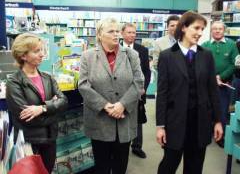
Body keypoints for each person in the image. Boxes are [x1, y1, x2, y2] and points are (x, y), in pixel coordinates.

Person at [156, 11, 223, 174]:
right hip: (175, 122)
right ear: (184, 27)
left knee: (195, 167)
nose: (200, 33)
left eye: (202, 29)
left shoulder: (206, 55)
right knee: (169, 164)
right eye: (197, 28)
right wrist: (160, 126)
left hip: (200, 122)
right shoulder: (167, 56)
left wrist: (218, 120)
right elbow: (162, 93)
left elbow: (212, 90)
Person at [78, 18, 144, 174]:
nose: (116, 35)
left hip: (124, 119)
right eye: (111, 31)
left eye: (117, 31)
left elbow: (139, 81)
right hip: (99, 120)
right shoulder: (88, 56)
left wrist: (122, 105)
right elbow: (83, 85)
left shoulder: (131, 55)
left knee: (121, 165)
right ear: (100, 35)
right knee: (101, 166)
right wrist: (106, 106)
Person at [6, 33, 68, 173]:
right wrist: (53, 109)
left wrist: (42, 108)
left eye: (42, 50)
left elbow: (64, 102)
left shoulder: (47, 77)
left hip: (50, 139)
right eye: (36, 51)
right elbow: (26, 117)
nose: (42, 54)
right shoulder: (14, 82)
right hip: (29, 142)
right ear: (23, 56)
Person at [202, 21, 238, 147]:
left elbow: (234, 64)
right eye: (215, 29)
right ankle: (207, 132)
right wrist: (212, 78)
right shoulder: (205, 45)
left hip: (224, 85)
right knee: (206, 109)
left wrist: (220, 77)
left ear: (224, 31)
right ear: (211, 31)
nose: (217, 31)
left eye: (220, 29)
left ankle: (220, 137)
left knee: (222, 111)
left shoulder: (232, 45)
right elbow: (201, 64)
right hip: (206, 85)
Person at [121, 23, 151, 159]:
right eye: (129, 32)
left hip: (138, 92)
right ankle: (122, 146)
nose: (132, 35)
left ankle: (137, 146)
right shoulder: (116, 49)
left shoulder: (142, 50)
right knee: (122, 118)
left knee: (137, 119)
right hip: (120, 92)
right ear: (122, 34)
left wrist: (143, 87)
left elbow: (147, 71)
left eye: (134, 32)